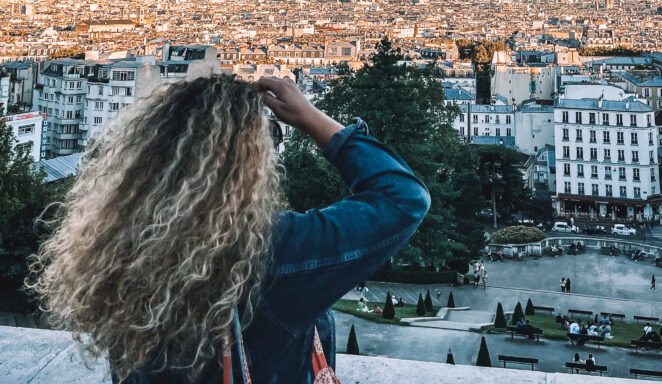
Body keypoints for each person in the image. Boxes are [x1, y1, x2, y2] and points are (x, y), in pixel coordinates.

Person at [27, 74, 430, 384]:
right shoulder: (277, 251)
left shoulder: (120, 244)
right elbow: (402, 198)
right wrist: (310, 117)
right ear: (252, 162)